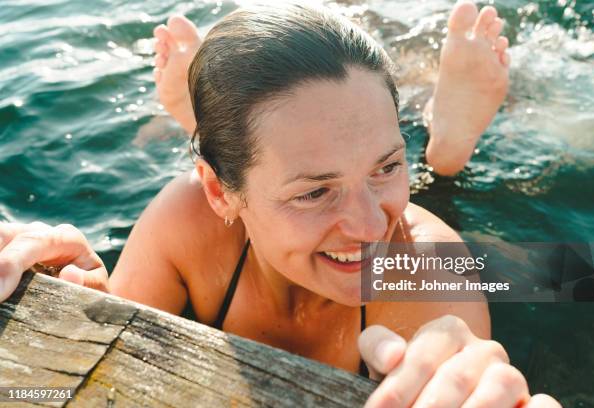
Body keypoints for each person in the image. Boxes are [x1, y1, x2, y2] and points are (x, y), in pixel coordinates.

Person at [0, 2, 559, 407]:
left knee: (440, 193)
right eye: (314, 192)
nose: (370, 228)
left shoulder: (433, 269)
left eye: (390, 163)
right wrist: (79, 305)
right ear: (219, 192)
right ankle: (214, 122)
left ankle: (445, 151)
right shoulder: (186, 217)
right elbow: (73, 373)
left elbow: (537, 293)